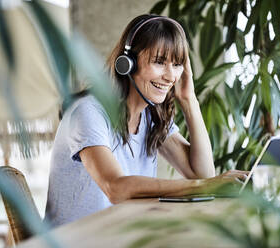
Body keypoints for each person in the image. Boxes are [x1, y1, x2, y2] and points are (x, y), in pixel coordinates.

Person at [44, 14, 249, 227]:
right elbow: (116, 188)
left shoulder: (151, 117)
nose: (171, 76)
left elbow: (202, 173)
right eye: (160, 62)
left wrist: (189, 100)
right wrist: (204, 185)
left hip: (117, 237)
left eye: (177, 64)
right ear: (127, 63)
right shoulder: (89, 111)